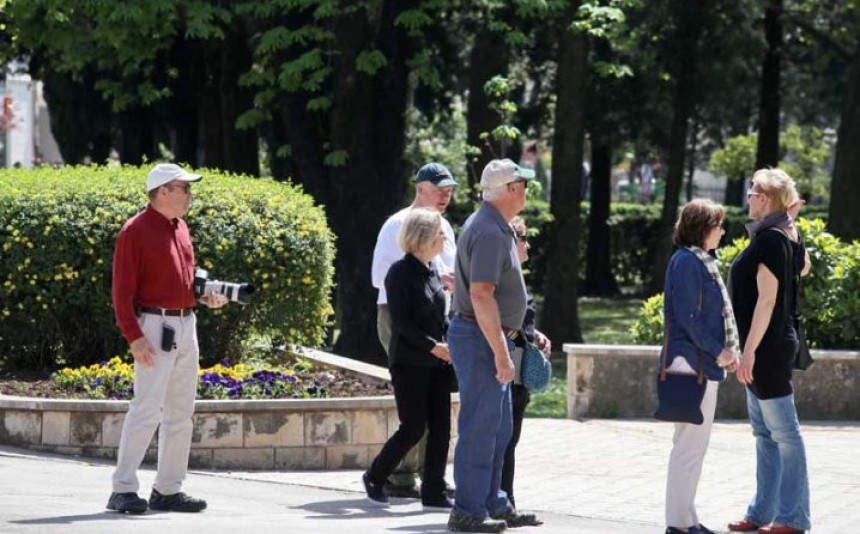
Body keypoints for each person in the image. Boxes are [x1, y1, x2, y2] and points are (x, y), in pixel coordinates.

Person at [107, 163, 228, 514]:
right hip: (153, 326)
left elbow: (185, 281)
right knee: (146, 409)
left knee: (181, 412)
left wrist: (204, 296)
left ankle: (168, 489)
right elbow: (121, 290)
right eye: (184, 188)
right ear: (163, 191)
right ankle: (122, 489)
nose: (190, 195)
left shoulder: (181, 228)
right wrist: (134, 336)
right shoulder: (135, 230)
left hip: (185, 324)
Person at [447, 158, 535, 533]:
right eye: (524, 184)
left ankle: (493, 502)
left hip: (485, 337)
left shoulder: (493, 226)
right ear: (511, 190)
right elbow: (481, 295)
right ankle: (466, 512)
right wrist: (501, 353)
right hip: (480, 338)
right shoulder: (488, 230)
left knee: (498, 429)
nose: (528, 191)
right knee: (481, 429)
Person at [727, 169, 811, 534]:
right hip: (763, 346)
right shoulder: (781, 235)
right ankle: (762, 512)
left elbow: (768, 299)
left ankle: (793, 517)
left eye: (753, 192)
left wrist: (748, 353)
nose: (748, 197)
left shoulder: (772, 240)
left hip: (768, 349)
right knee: (764, 435)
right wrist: (790, 220)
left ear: (765, 198)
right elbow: (804, 268)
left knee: (786, 435)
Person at [370, 162, 457, 497]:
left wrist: (444, 281)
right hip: (400, 318)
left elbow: (448, 270)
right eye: (439, 189)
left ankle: (430, 477)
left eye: (449, 190)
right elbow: (380, 277)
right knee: (414, 403)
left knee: (435, 407)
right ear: (420, 188)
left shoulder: (445, 227)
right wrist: (423, 279)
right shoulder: (396, 224)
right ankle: (399, 475)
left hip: (438, 320)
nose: (446, 195)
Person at [662, 200, 739, 534]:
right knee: (689, 448)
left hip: (698, 362)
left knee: (693, 447)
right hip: (692, 362)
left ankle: (687, 519)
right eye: (718, 225)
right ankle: (678, 524)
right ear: (703, 227)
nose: (722, 231)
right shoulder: (688, 262)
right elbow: (689, 317)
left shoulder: (698, 261)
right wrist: (720, 349)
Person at [499, 216, 550, 525]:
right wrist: (526, 338)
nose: (528, 245)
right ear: (512, 244)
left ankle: (506, 501)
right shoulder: (506, 279)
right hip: (509, 372)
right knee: (506, 441)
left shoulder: (514, 277)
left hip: (516, 372)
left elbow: (517, 325)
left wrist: (534, 335)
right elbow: (506, 328)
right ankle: (504, 503)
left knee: (509, 441)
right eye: (523, 239)